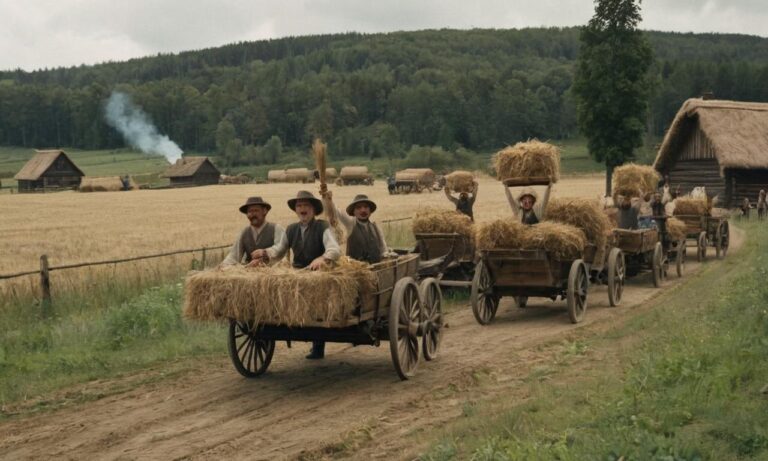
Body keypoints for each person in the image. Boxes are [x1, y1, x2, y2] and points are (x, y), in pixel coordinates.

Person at [252, 190, 341, 360]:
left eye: (306, 205)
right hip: (298, 272)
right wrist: (265, 253)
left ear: (313, 209)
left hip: (319, 273)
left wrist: (323, 258)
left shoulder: (323, 227)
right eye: (299, 206)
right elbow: (279, 250)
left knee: (316, 302)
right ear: (296, 210)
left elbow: (335, 249)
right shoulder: (291, 229)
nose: (302, 209)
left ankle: (318, 344)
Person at [322, 191, 391, 264]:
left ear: (370, 211)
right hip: (357, 270)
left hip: (377, 268)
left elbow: (383, 249)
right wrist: (328, 199)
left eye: (366, 207)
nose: (363, 210)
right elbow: (337, 212)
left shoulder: (376, 227)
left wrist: (386, 258)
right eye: (358, 207)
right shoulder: (351, 224)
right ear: (353, 212)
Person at [221, 196, 285, 267]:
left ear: (264, 211)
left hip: (273, 274)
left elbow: (281, 247)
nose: (252, 214)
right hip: (250, 274)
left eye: (255, 211)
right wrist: (223, 266)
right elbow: (234, 255)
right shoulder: (244, 232)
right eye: (249, 212)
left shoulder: (276, 228)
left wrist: (265, 253)